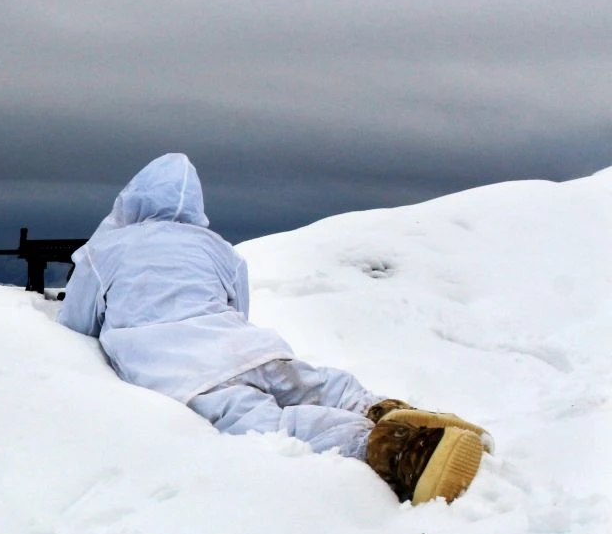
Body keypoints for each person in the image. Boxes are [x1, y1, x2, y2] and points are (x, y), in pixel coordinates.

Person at [57, 153, 489, 505]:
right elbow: (238, 307)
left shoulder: (106, 249)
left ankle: (394, 451)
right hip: (247, 346)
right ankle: (379, 406)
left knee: (269, 422)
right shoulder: (216, 247)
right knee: (316, 385)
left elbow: (76, 322)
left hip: (186, 369)